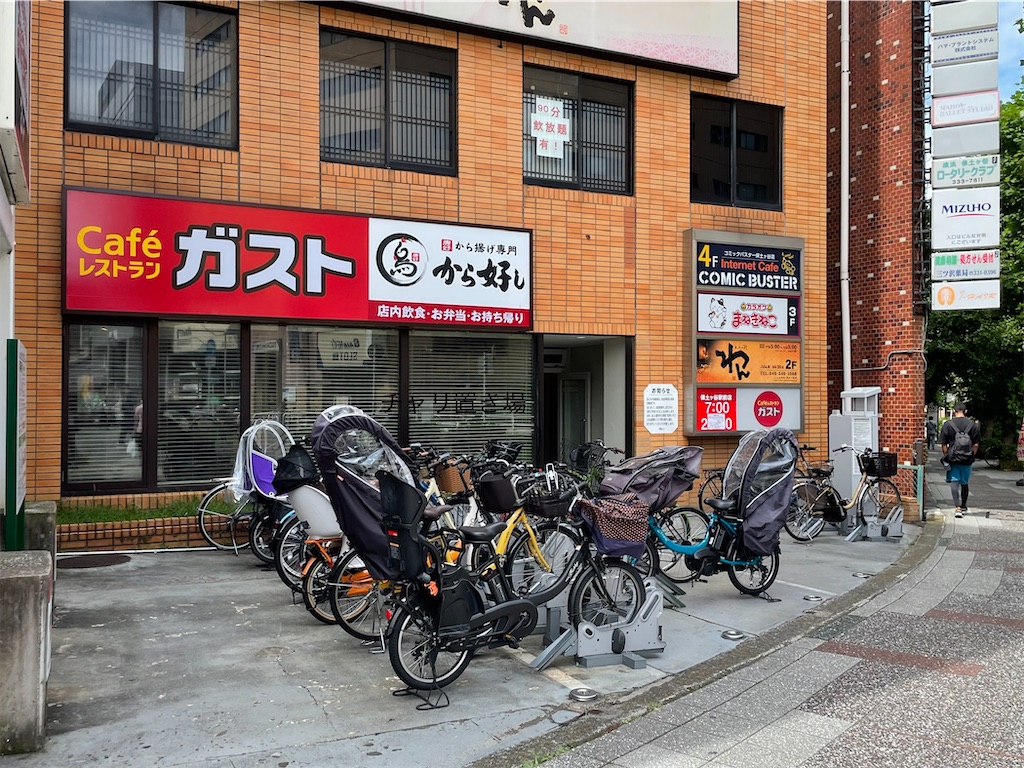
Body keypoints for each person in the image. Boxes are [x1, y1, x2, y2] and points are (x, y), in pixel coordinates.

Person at [939, 401, 980, 518]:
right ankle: (963, 505)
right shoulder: (973, 425)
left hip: (953, 459)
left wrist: (947, 455)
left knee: (954, 482)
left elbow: (944, 444)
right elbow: (976, 444)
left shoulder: (948, 424)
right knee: (964, 483)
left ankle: (957, 507)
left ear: (953, 411)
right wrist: (971, 455)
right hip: (967, 459)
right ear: (966, 411)